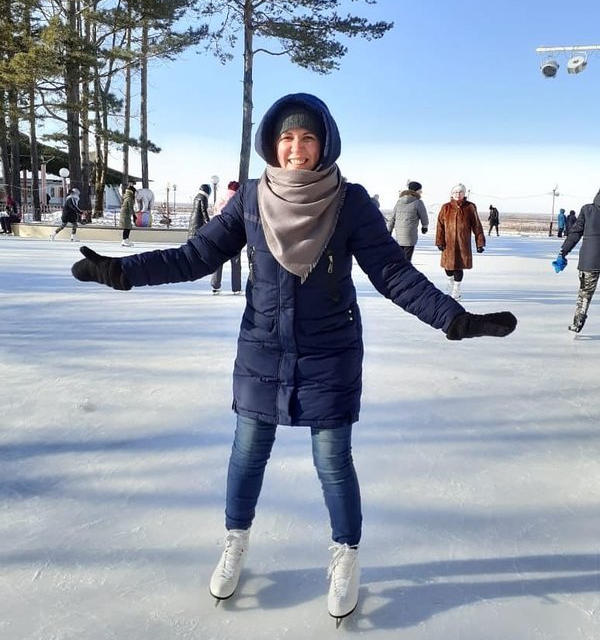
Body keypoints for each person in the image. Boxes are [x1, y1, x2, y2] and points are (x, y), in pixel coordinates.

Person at [70, 93, 516, 622]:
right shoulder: (251, 198)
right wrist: (123, 271)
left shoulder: (349, 202)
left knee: (332, 461)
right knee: (247, 453)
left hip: (331, 351)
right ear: (273, 144)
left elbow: (392, 273)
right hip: (262, 348)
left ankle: (346, 554)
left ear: (325, 143)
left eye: (307, 138)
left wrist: (452, 318)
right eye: (287, 138)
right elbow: (197, 255)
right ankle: (236, 541)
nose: (297, 149)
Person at [555, 191, 600, 333]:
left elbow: (575, 232)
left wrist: (563, 252)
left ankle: (577, 322)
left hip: (590, 260)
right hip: (590, 259)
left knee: (585, 293)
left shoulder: (587, 210)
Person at [436, 183, 486, 300]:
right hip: (448, 244)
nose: (458, 194)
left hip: (462, 244)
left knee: (458, 267)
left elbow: (477, 225)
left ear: (464, 194)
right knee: (448, 268)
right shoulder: (446, 207)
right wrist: (439, 241)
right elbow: (440, 225)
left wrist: (479, 243)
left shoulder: (470, 207)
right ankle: (451, 283)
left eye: (460, 192)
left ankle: (456, 290)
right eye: (455, 192)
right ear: (452, 194)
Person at [210, 181, 242, 294]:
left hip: (219, 232)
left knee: (218, 260)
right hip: (234, 233)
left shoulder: (220, 199)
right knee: (236, 262)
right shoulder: (238, 200)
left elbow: (214, 214)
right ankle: (236, 288)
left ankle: (215, 285)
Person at [386, 181, 429, 262]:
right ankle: (405, 269)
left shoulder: (399, 201)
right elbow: (424, 216)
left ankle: (400, 268)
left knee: (400, 257)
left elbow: (392, 218)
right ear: (416, 190)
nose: (421, 192)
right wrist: (425, 226)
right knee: (407, 258)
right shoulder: (418, 202)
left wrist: (389, 230)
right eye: (420, 190)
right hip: (410, 234)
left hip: (399, 234)